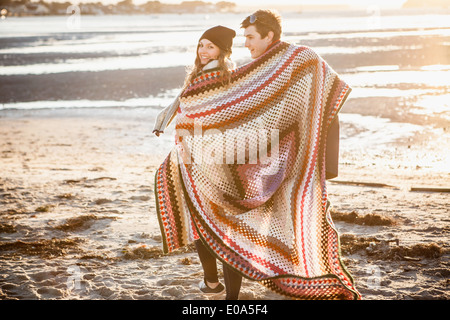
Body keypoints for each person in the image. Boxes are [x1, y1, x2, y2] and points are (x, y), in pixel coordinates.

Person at [154, 11, 361, 300]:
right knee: (213, 218)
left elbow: (319, 91)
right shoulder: (254, 70)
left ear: (269, 36)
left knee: (231, 225)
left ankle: (225, 291)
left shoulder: (295, 58)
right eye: (201, 45)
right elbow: (240, 112)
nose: (247, 43)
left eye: (251, 37)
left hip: (270, 162)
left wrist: (322, 158)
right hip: (242, 159)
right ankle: (216, 284)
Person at [153, 25, 242, 299]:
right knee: (216, 224)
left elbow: (207, 112)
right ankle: (216, 286)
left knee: (206, 224)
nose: (203, 51)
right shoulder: (214, 75)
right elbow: (186, 104)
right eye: (201, 45)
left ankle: (219, 288)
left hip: (207, 161)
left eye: (210, 46)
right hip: (213, 159)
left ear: (222, 51)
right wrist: (166, 119)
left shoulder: (215, 75)